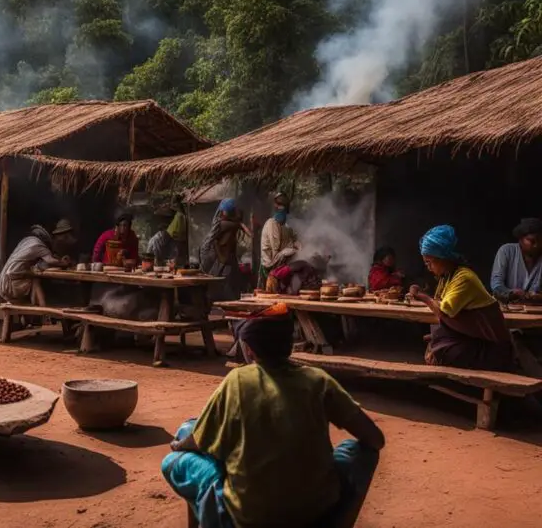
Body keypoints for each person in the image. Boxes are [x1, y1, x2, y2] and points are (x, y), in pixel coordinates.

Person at [162, 303, 384, 528]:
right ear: (289, 345)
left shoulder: (237, 380)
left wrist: (179, 446)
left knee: (175, 460)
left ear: (249, 349)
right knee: (359, 452)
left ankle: (216, 519)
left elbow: (200, 441)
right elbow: (375, 439)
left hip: (251, 517)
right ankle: (339, 520)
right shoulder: (318, 380)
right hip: (315, 510)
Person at [409, 225, 513, 371]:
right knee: (435, 343)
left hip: (491, 345)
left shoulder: (464, 278)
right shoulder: (447, 277)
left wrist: (421, 296)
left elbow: (444, 312)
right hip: (472, 338)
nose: (428, 267)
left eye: (429, 262)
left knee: (441, 353)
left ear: (443, 258)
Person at [0, 222, 75, 303]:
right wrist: (64, 263)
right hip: (10, 284)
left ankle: (37, 308)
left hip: (1, 282)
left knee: (33, 280)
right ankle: (43, 310)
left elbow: (39, 262)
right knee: (36, 281)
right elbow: (50, 261)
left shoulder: (27, 241)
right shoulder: (39, 245)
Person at [198, 198, 250, 301]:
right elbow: (206, 245)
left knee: (230, 287)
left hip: (227, 259)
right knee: (222, 288)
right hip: (220, 259)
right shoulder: (221, 224)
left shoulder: (231, 225)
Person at [490, 217, 542, 303]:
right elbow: (496, 285)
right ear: (520, 239)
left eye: (540, 241)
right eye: (532, 241)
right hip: (508, 309)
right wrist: (512, 293)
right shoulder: (506, 251)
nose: (536, 245)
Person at [259, 192, 300, 286]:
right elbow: (275, 251)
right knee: (291, 252)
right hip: (271, 264)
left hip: (281, 261)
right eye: (280, 208)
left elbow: (295, 240)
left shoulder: (287, 227)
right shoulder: (272, 224)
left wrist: (302, 249)